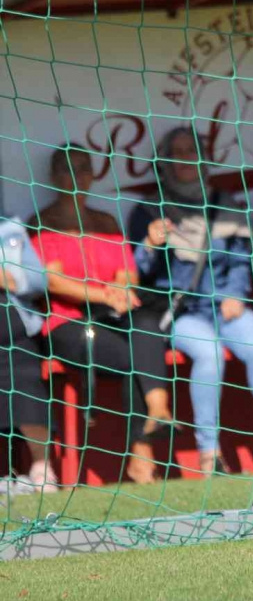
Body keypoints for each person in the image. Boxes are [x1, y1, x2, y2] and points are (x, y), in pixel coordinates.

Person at [127, 127, 253, 475]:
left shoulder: (223, 203)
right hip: (181, 311)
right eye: (177, 152)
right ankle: (209, 454)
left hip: (223, 305)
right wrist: (150, 244)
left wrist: (235, 295)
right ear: (164, 162)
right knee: (210, 354)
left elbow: (240, 260)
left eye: (192, 151)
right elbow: (136, 273)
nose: (186, 159)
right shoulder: (150, 209)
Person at [33, 144, 176, 485]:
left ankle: (157, 416)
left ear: (94, 173)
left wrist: (121, 291)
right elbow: (53, 281)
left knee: (146, 323)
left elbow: (128, 274)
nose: (77, 175)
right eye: (68, 168)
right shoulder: (43, 223)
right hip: (67, 322)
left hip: (111, 316)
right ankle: (143, 455)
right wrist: (105, 294)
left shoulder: (105, 222)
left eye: (84, 167)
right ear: (53, 176)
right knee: (135, 358)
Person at [0, 216, 53, 494]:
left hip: (13, 328)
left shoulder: (10, 228)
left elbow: (38, 280)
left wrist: (10, 279)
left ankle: (42, 469)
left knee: (23, 375)